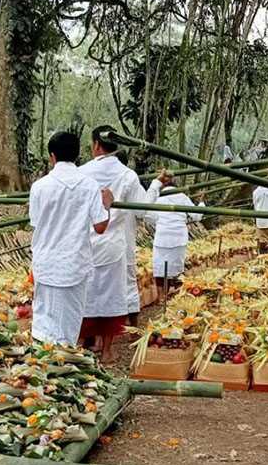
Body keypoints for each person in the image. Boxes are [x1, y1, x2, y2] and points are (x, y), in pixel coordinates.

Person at [79, 125, 164, 361]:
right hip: (113, 246)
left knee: (85, 293)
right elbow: (143, 210)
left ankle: (80, 344)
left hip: (85, 244)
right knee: (111, 297)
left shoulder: (82, 173)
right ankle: (106, 350)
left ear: (96, 144)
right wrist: (156, 185)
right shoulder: (127, 175)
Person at [29, 131, 112, 346]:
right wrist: (107, 206)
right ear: (77, 156)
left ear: (52, 157)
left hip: (46, 262)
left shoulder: (39, 187)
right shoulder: (89, 186)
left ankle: (42, 365)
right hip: (74, 263)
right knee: (69, 321)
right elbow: (100, 226)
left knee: (43, 321)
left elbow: (37, 225)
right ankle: (64, 360)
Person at [149, 182, 204, 297]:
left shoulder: (158, 197)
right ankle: (173, 296)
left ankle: (161, 297)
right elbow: (197, 216)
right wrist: (201, 202)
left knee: (160, 268)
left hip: (162, 237)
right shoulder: (182, 197)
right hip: (179, 237)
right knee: (176, 268)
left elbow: (150, 217)